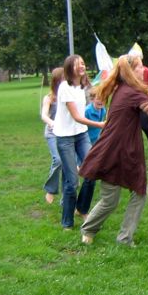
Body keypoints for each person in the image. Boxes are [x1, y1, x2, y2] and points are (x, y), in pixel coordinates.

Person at [79, 54, 148, 246]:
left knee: (138, 192)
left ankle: (122, 237)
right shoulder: (131, 93)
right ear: (131, 70)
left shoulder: (121, 89)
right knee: (114, 199)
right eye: (139, 66)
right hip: (114, 151)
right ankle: (90, 230)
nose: (143, 69)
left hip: (123, 151)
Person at [52, 55, 105, 230]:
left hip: (81, 134)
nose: (81, 66)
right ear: (70, 68)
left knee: (91, 171)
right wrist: (99, 124)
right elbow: (76, 116)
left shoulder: (82, 86)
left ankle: (82, 209)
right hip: (65, 138)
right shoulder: (64, 88)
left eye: (82, 63)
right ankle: (67, 222)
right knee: (72, 182)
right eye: (77, 64)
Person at [76, 90, 106, 218]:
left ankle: (80, 209)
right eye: (98, 98)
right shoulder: (87, 111)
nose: (100, 101)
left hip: (94, 145)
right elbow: (79, 126)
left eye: (103, 99)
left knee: (90, 175)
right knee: (88, 174)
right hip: (83, 145)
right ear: (92, 99)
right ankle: (80, 209)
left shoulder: (103, 110)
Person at [41, 67, 65, 204]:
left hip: (66, 133)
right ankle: (51, 189)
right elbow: (44, 115)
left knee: (68, 164)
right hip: (52, 134)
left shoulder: (68, 95)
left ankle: (66, 199)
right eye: (63, 79)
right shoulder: (49, 98)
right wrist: (52, 123)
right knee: (58, 160)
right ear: (56, 81)